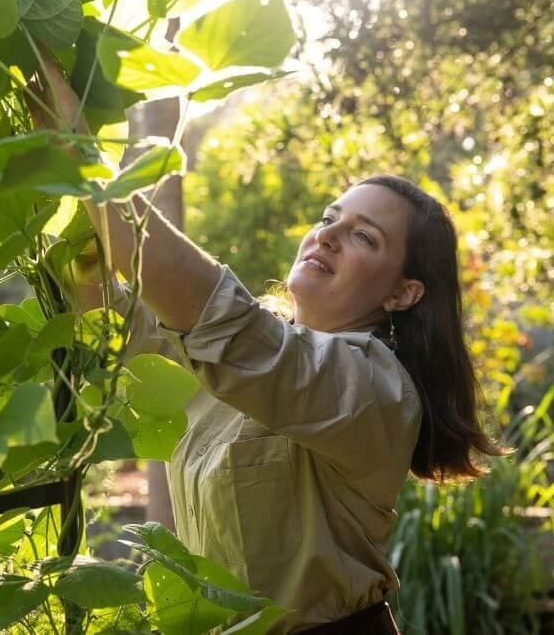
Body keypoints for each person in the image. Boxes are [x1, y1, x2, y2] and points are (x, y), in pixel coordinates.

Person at [28, 48, 506, 635]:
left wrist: (85, 159)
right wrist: (40, 181)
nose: (327, 235)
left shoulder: (375, 388)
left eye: (362, 236)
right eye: (330, 217)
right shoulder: (244, 348)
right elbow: (118, 316)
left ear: (403, 294)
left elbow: (207, 309)